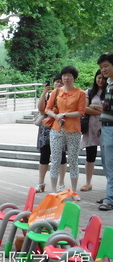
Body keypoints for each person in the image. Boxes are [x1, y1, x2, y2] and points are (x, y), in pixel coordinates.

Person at [44, 66, 86, 198]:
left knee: (73, 160)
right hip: (57, 129)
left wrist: (64, 115)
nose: (66, 78)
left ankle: (74, 191)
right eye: (64, 75)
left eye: (70, 75)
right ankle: (54, 190)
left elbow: (81, 112)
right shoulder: (55, 92)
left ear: (74, 78)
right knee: (55, 159)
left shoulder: (81, 93)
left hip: (73, 130)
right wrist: (56, 116)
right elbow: (47, 109)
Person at [35, 75, 68, 193]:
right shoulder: (48, 96)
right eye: (56, 82)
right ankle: (41, 183)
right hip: (46, 129)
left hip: (60, 128)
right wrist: (44, 93)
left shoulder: (66, 96)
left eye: (61, 82)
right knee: (44, 155)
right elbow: (41, 109)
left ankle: (61, 183)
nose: (58, 84)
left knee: (62, 156)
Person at [81, 69, 105, 192]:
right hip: (91, 128)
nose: (101, 80)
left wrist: (94, 106)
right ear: (95, 78)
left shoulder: (109, 92)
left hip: (106, 128)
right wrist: (101, 111)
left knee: (108, 157)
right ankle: (88, 182)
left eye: (103, 78)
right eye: (98, 78)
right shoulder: (89, 92)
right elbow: (84, 108)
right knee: (90, 155)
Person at [97, 54, 113, 211]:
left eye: (106, 65)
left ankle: (110, 199)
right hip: (106, 128)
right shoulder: (109, 85)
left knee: (110, 163)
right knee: (107, 164)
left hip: (111, 129)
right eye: (102, 67)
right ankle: (110, 194)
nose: (104, 69)